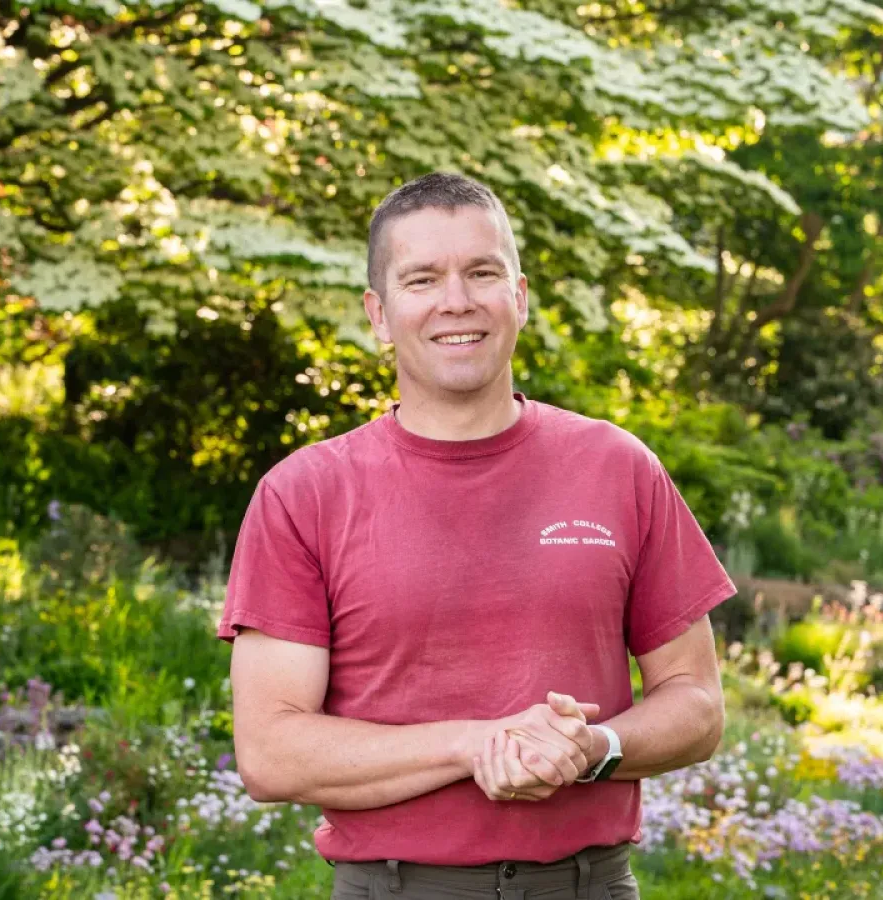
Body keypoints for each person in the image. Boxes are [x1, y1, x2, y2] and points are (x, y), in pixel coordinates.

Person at [217, 171, 736, 899]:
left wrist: (594, 748)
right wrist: (475, 744)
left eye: (482, 273)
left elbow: (698, 704)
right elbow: (271, 752)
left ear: (518, 298)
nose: (456, 300)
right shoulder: (303, 494)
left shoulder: (619, 467)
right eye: (422, 279)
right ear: (378, 314)